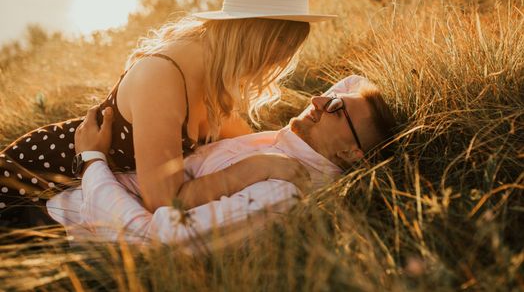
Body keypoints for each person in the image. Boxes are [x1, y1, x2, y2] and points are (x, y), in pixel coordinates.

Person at [0, 0, 337, 227]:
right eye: (280, 49)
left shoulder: (217, 75)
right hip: (31, 185)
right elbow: (164, 200)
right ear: (252, 37)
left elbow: (246, 142)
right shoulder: (163, 76)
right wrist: (260, 167)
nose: (279, 62)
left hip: (81, 195)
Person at [48, 75, 397, 245]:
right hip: (59, 199)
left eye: (335, 106)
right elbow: (354, 83)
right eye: (331, 95)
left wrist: (90, 160)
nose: (319, 99)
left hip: (57, 230)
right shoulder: (286, 147)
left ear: (352, 153)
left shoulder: (281, 191)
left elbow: (158, 239)